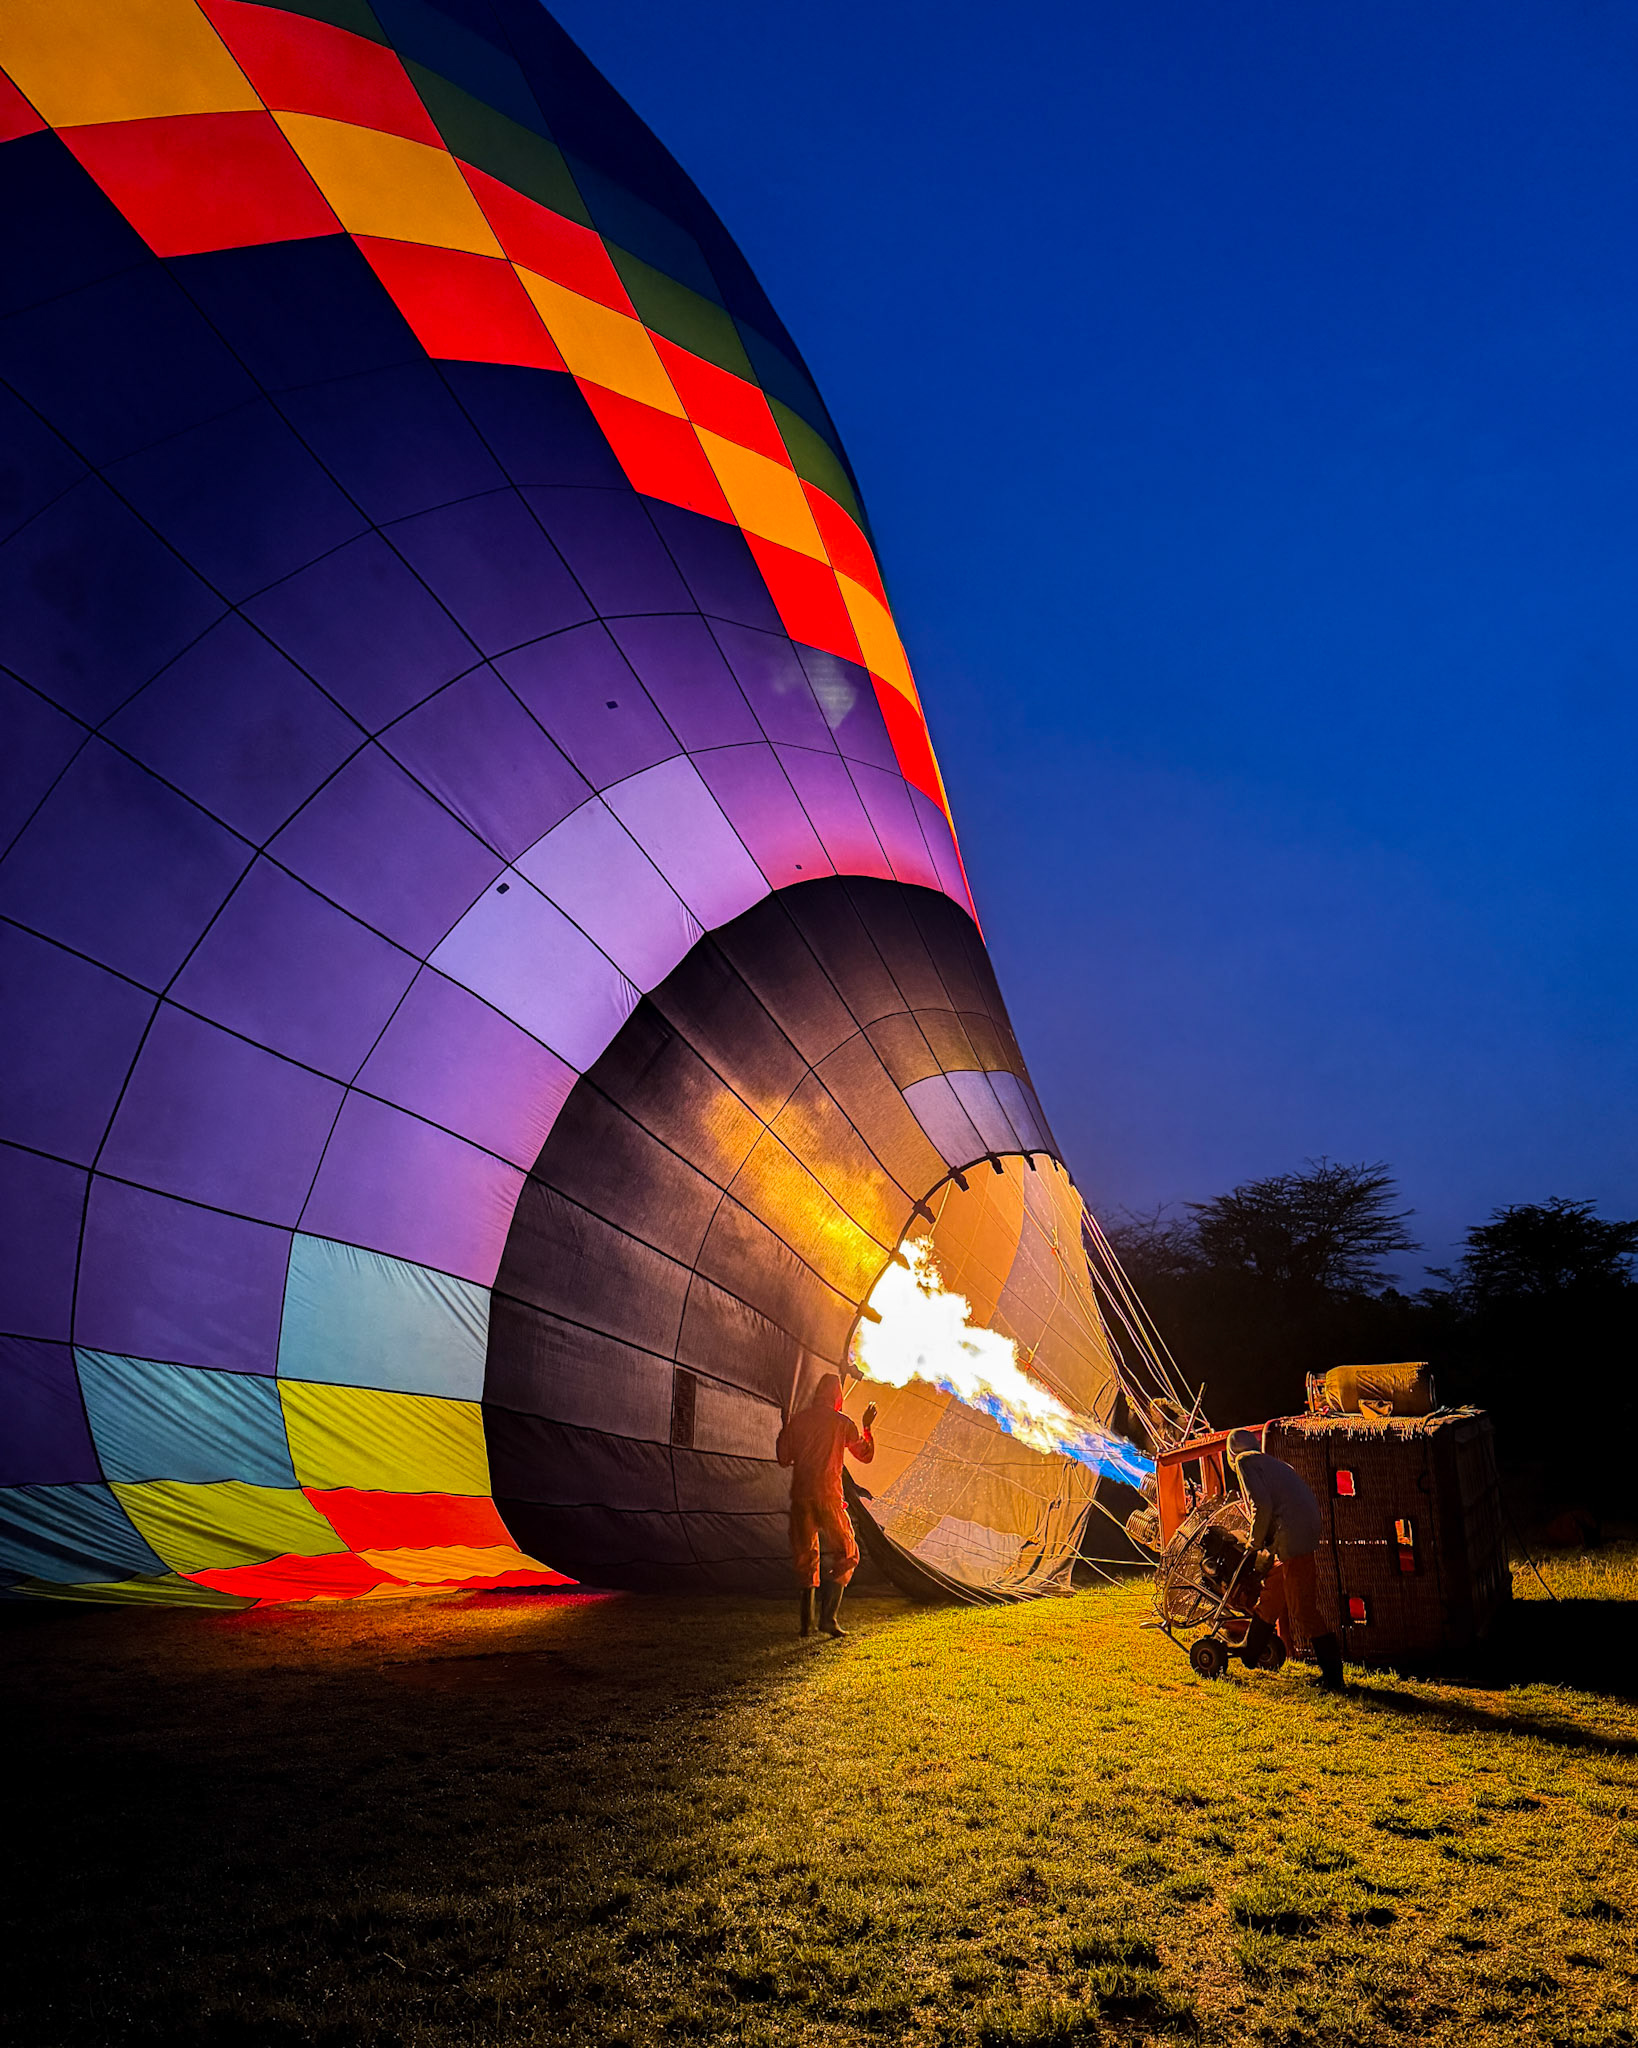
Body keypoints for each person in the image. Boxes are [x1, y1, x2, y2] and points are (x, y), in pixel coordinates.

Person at [1227, 1428, 1345, 1692]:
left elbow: (1262, 1506)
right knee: (1274, 1594)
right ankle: (1251, 1650)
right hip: (1301, 1531)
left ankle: (1333, 1676)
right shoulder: (1272, 1463)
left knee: (1303, 1609)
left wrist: (1253, 1545)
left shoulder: (1245, 1462)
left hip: (1292, 1536)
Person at [775, 1372, 876, 1638]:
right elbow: (865, 1455)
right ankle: (828, 1618)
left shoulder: (799, 1421)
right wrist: (867, 1427)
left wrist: (785, 1427)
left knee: (805, 1558)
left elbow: (783, 1458)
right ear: (837, 1396)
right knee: (848, 1553)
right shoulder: (842, 1423)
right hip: (828, 1497)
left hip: (801, 1499)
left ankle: (806, 1624)